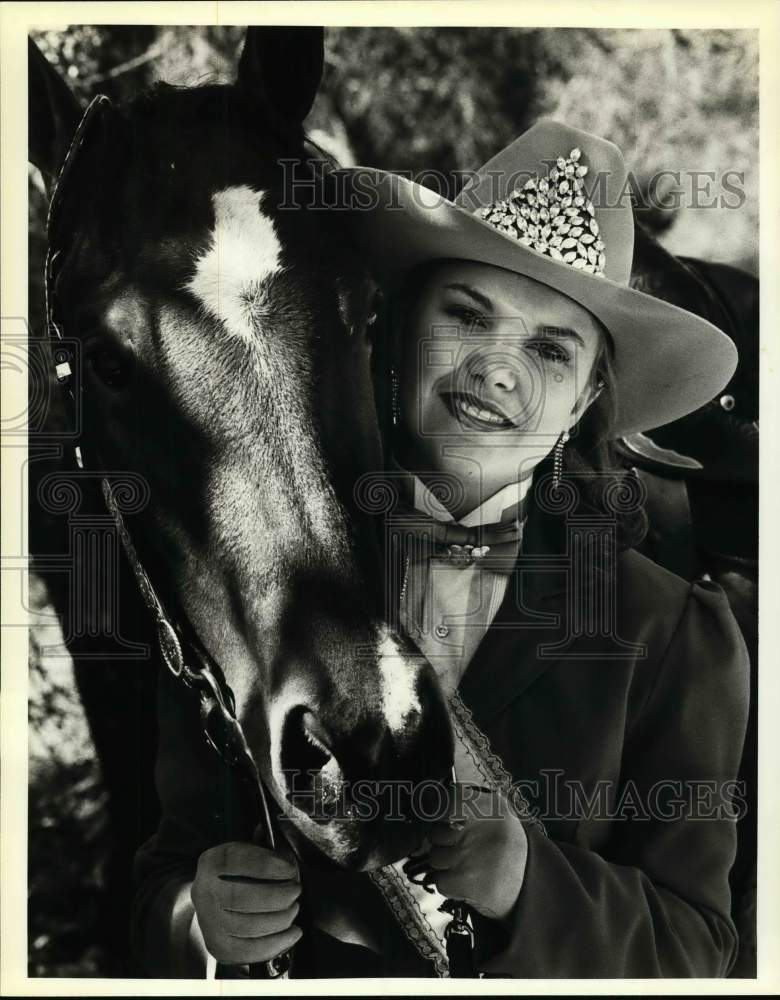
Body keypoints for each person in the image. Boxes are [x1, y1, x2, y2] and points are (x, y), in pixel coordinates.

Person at [132, 120, 750, 978]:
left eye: (550, 350)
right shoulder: (262, 579)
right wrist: (198, 921)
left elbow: (697, 953)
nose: (498, 370)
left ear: (583, 403)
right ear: (397, 332)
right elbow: (161, 875)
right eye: (466, 316)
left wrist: (529, 883)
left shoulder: (673, 635)